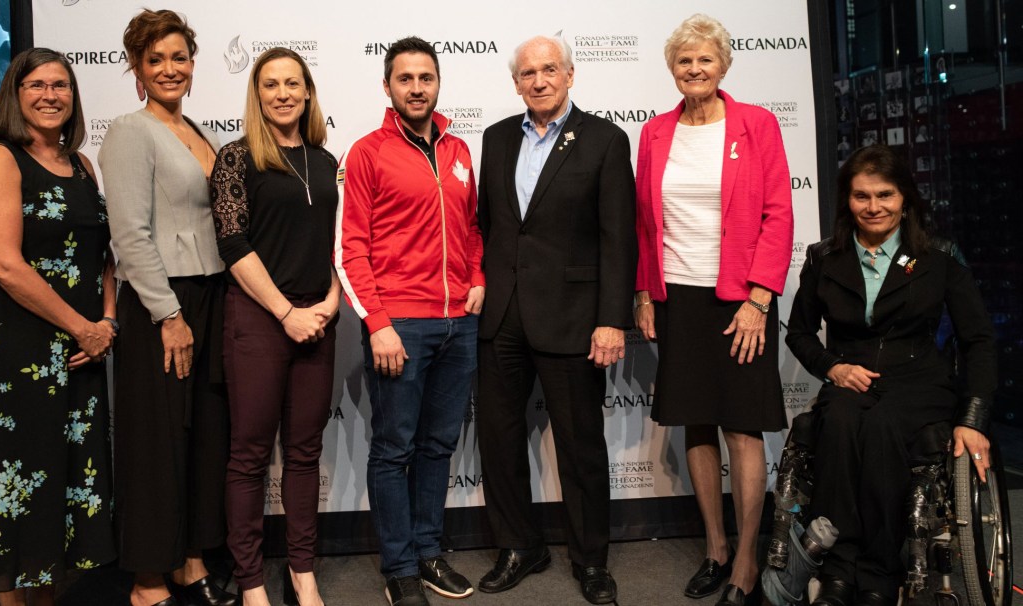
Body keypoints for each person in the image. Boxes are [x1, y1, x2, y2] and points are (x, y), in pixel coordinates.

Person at [786, 145, 996, 606]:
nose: (874, 206)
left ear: (905, 198)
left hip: (920, 380)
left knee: (881, 427)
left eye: (885, 195)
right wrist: (833, 368)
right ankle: (840, 572)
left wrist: (973, 417)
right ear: (848, 200)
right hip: (850, 377)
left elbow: (978, 339)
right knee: (838, 423)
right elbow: (799, 333)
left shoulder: (938, 255)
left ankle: (880, 574)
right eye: (862, 196)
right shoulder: (824, 257)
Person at [633, 14, 793, 606]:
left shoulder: (757, 124)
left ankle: (748, 559)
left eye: (704, 60)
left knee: (742, 428)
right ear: (672, 69)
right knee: (696, 421)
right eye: (684, 61)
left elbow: (778, 213)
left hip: (739, 299)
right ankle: (715, 548)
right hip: (679, 295)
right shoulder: (653, 133)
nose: (694, 69)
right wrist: (645, 292)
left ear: (724, 65)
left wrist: (759, 298)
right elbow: (645, 225)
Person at [474, 35, 635, 605]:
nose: (538, 81)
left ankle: (591, 559)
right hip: (502, 318)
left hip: (573, 319)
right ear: (515, 83)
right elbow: (490, 227)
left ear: (570, 74)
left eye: (549, 70)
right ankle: (520, 546)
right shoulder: (494, 140)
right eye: (526, 73)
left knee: (581, 445)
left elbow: (619, 239)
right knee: (498, 440)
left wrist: (612, 319)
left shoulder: (605, 140)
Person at [0, 46, 116, 604]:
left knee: (64, 481)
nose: (51, 95)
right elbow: (4, 264)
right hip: (14, 348)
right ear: (16, 95)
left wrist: (107, 323)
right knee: (17, 483)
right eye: (37, 85)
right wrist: (83, 326)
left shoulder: (82, 165)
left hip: (79, 351)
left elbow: (102, 256)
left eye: (61, 86)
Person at [335, 36, 484, 606]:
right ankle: (398, 566)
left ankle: (428, 552)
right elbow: (350, 249)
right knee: (394, 447)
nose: (417, 88)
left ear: (438, 81)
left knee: (438, 445)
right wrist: (378, 322)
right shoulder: (367, 152)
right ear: (388, 87)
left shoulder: (460, 151)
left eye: (426, 77)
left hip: (458, 326)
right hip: (401, 326)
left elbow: (472, 230)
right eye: (406, 79)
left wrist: (478, 279)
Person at [98, 10, 233, 606]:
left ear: (193, 65)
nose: (169, 69)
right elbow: (129, 234)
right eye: (155, 60)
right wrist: (167, 315)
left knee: (204, 434)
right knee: (155, 442)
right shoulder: (131, 130)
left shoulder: (199, 133)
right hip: (162, 305)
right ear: (136, 68)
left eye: (179, 58)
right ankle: (149, 578)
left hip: (212, 297)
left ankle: (191, 557)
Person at [211, 47, 341, 606]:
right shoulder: (237, 159)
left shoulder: (326, 159)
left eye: (293, 83)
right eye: (271, 85)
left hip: (319, 319)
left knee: (306, 452)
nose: (283, 93)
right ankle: (251, 582)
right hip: (261, 321)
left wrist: (331, 302)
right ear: (257, 94)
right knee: (249, 455)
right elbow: (232, 245)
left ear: (308, 91)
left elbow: (335, 245)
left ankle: (302, 572)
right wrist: (285, 313)